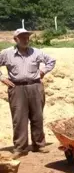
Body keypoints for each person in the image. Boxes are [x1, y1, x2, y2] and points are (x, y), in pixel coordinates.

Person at [0, 29, 56, 157]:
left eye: (27, 37)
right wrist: (2, 78)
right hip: (17, 88)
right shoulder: (6, 54)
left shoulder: (36, 52)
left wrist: (43, 71)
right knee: (19, 118)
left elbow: (51, 61)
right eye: (22, 37)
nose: (26, 39)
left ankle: (39, 145)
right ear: (16, 39)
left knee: (37, 117)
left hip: (35, 86)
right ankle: (20, 148)